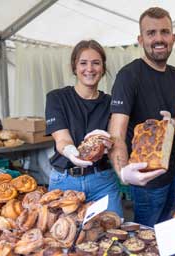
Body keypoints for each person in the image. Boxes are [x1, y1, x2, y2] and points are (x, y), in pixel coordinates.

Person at [108, 7, 175, 226]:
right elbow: (116, 132)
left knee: (165, 231)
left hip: (171, 173)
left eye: (164, 32)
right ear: (140, 39)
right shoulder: (129, 75)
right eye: (151, 33)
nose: (159, 39)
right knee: (146, 237)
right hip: (145, 180)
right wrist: (125, 173)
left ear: (173, 37)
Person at [45, 40, 123, 217]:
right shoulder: (57, 98)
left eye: (96, 63)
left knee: (113, 234)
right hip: (64, 182)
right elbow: (62, 139)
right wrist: (72, 152)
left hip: (102, 181)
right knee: (64, 237)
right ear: (74, 67)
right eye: (83, 63)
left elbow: (116, 139)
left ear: (103, 68)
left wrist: (110, 144)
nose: (90, 69)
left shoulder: (111, 103)